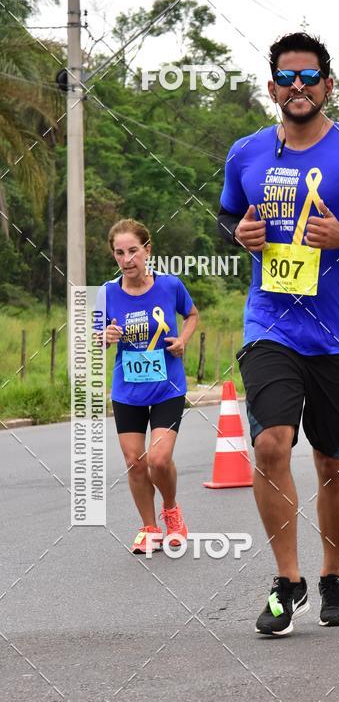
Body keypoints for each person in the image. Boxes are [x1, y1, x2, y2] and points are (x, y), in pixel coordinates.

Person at [217, 31, 339, 636]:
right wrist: (237, 236)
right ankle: (287, 581)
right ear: (272, 86)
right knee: (271, 444)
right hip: (270, 326)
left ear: (328, 85)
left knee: (333, 460)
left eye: (309, 76)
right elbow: (227, 215)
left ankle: (333, 576)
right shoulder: (246, 153)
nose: (297, 86)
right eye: (286, 76)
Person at [100, 218, 198, 553]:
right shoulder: (108, 292)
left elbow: (193, 315)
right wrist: (105, 337)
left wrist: (183, 339)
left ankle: (171, 510)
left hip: (167, 387)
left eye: (132, 251)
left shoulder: (170, 286)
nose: (126, 259)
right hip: (128, 390)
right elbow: (97, 338)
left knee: (158, 459)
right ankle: (149, 528)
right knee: (134, 461)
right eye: (119, 253)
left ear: (147, 250)